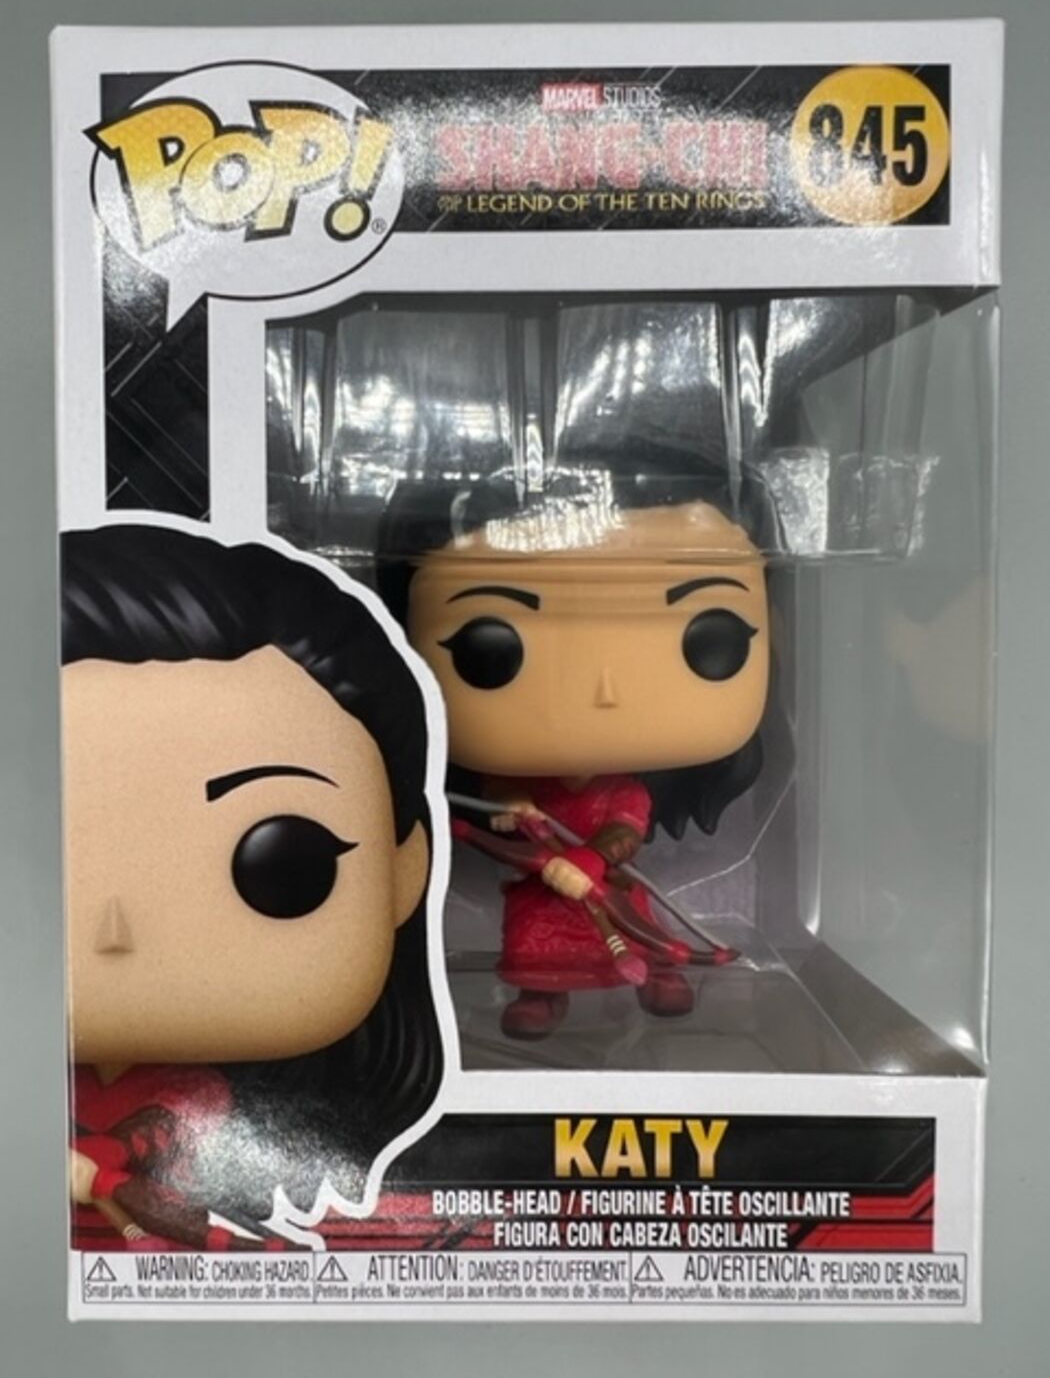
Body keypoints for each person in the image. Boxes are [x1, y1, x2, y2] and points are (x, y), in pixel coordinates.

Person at [63, 525, 442, 1247]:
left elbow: (162, 1156)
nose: (116, 929)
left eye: (280, 863)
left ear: (405, 868)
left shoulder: (206, 1106)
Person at [379, 457, 775, 1039]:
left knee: (634, 924)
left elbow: (624, 833)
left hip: (601, 883)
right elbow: (495, 807)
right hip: (543, 885)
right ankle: (542, 993)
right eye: (491, 650)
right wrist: (507, 813)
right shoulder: (520, 777)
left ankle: (660, 972)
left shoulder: (623, 790)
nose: (605, 692)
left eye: (710, 640)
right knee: (533, 942)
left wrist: (590, 860)